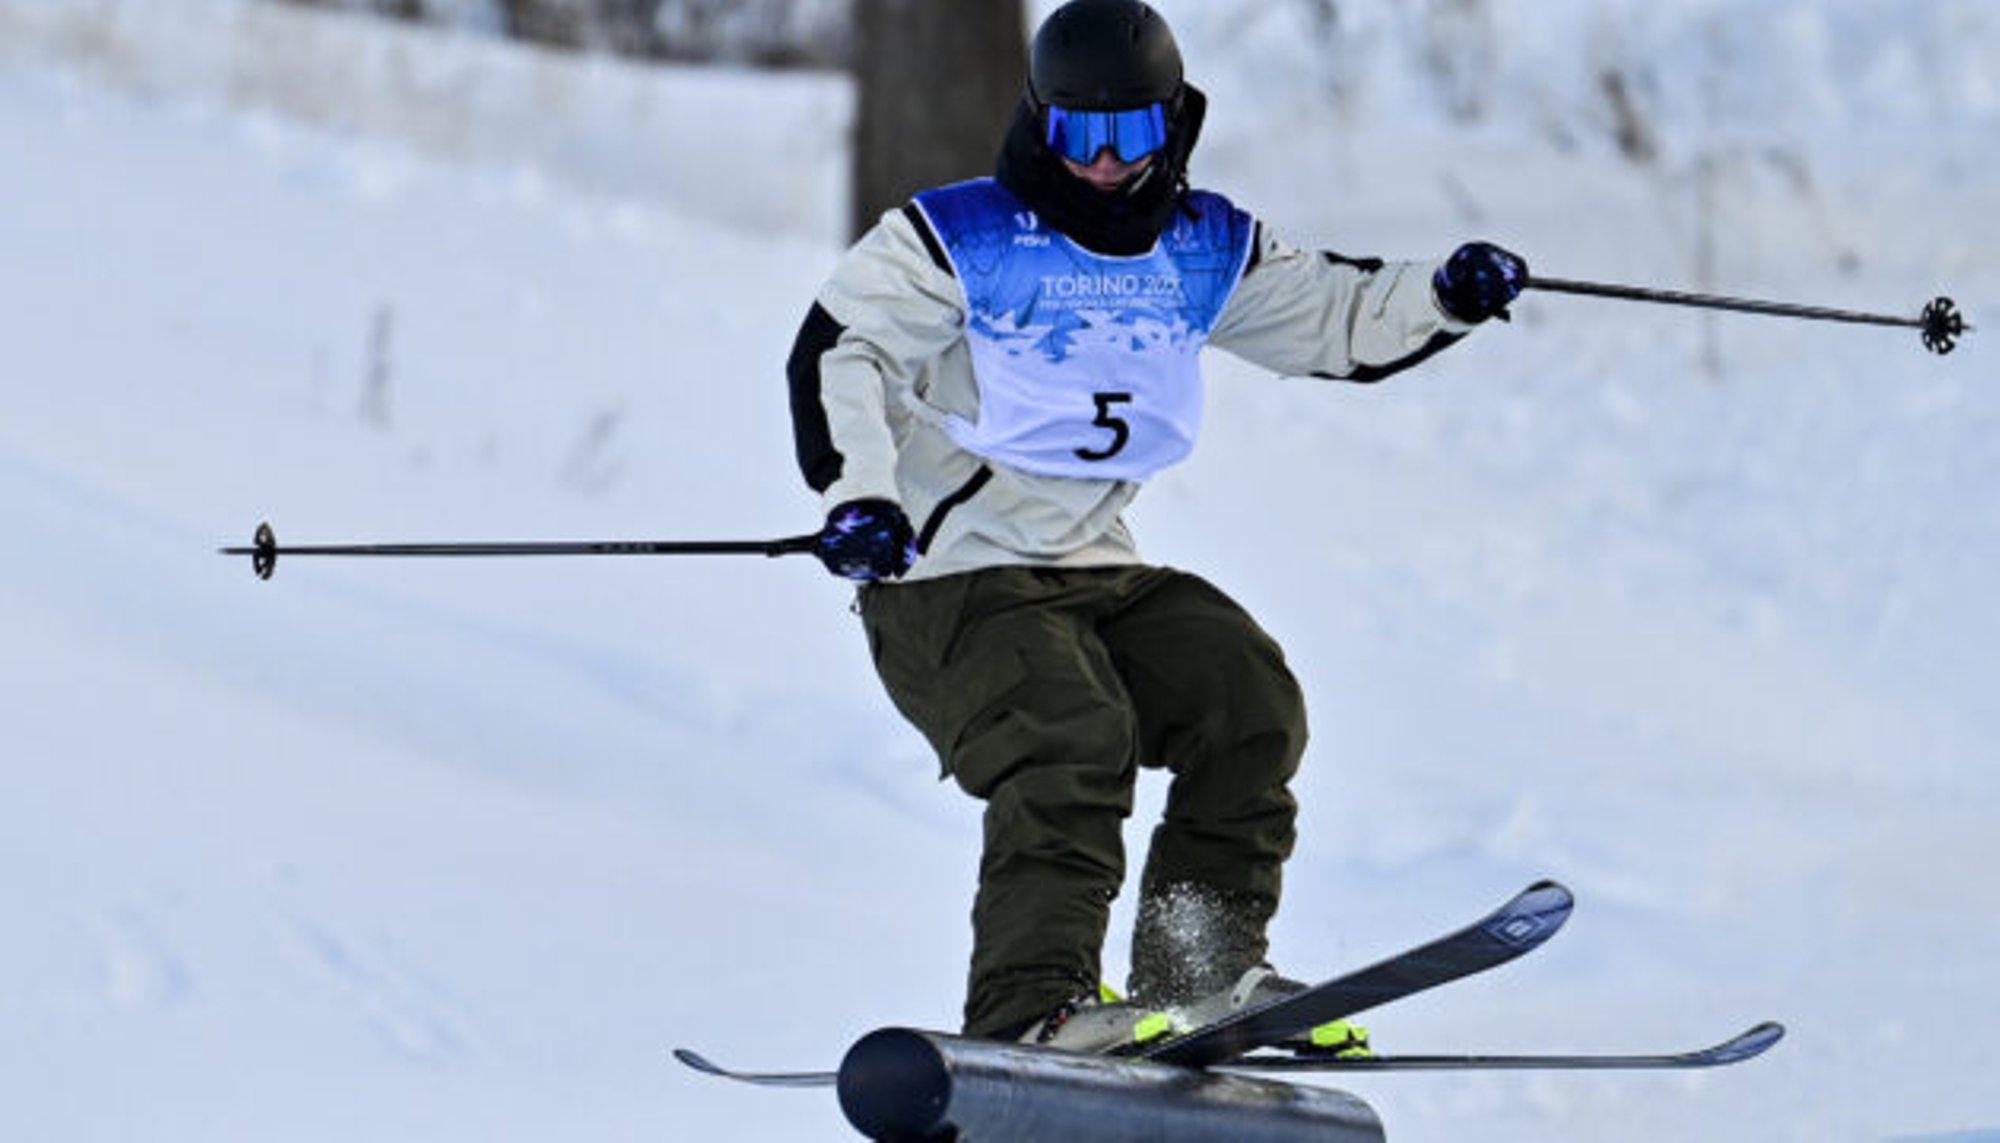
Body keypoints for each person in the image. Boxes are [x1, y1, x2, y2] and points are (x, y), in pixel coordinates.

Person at [786, 0, 1526, 1052]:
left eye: (1128, 132)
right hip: (951, 581)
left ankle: (1198, 971)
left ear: (1171, 123)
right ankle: (1032, 1011)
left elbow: (1332, 314)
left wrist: (1443, 296)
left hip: (1093, 571)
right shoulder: (959, 238)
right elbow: (842, 348)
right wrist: (859, 497)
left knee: (1247, 698)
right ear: (1038, 119)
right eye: (1076, 132)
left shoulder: (1199, 248)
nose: (1100, 162)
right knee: (1068, 734)